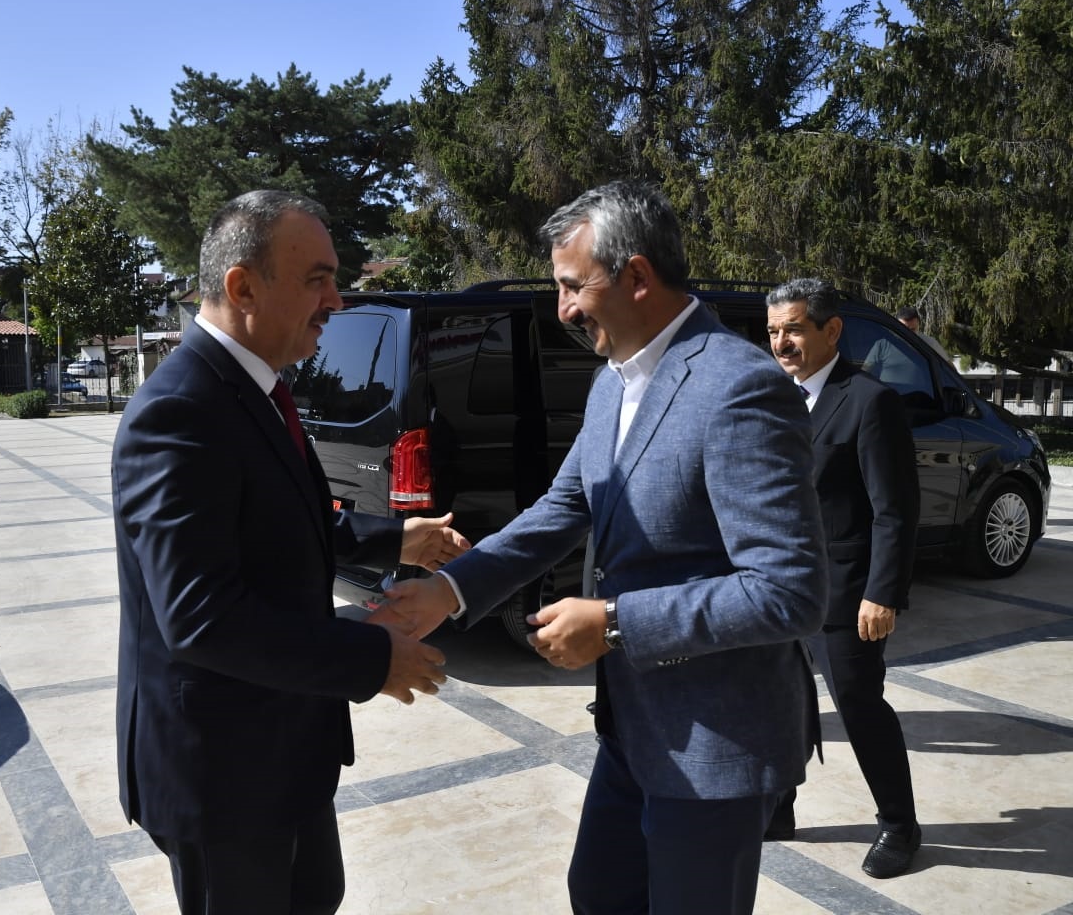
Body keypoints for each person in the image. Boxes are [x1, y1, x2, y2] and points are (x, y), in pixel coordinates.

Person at [383, 180, 827, 915]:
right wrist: (451, 589)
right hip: (632, 728)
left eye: (571, 285)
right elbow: (565, 507)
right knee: (597, 894)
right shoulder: (611, 384)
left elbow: (789, 591)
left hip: (714, 743)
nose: (562, 308)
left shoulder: (739, 388)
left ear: (637, 276)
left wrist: (616, 622)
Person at [112, 189, 467, 915]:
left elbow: (283, 517)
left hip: (284, 750)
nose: (336, 300)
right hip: (223, 777)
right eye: (317, 280)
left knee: (316, 896)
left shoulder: (256, 388)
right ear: (243, 286)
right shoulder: (181, 412)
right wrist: (370, 657)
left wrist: (395, 537)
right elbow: (201, 617)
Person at [765, 278, 923, 878]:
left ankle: (900, 824)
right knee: (779, 700)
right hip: (774, 587)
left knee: (857, 704)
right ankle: (779, 807)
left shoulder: (868, 401)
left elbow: (894, 510)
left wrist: (882, 593)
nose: (781, 342)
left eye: (794, 329)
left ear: (831, 330)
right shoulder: (770, 395)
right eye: (774, 330)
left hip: (845, 590)